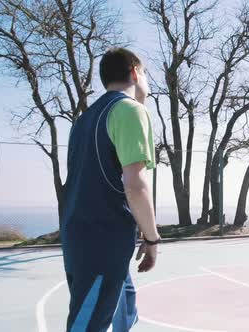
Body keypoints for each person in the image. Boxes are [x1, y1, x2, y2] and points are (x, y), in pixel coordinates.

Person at [61, 48, 161, 331]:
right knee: (88, 325)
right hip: (102, 239)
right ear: (135, 72)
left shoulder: (84, 120)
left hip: (83, 235)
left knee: (124, 311)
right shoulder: (129, 110)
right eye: (146, 75)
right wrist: (152, 239)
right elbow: (136, 184)